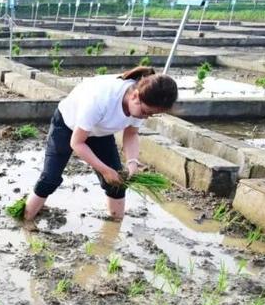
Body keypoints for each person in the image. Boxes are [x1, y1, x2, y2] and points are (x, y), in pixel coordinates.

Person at [24, 67, 178, 221]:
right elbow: (77, 143)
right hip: (67, 126)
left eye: (151, 114)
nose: (146, 117)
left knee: (117, 185)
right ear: (135, 96)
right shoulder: (101, 100)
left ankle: (115, 225)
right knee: (50, 179)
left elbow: (131, 134)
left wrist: (132, 163)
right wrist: (105, 170)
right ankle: (26, 218)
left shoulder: (141, 101)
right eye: (146, 112)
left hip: (100, 132)